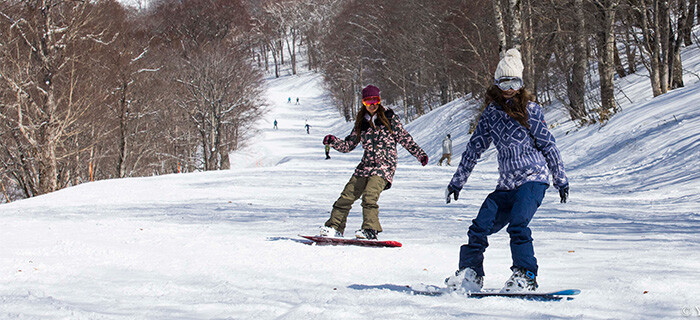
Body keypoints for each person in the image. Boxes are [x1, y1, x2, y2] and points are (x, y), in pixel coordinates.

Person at [444, 49, 569, 293]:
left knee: (518, 224)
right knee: (480, 226)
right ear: (497, 83)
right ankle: (471, 274)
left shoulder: (531, 110)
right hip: (506, 186)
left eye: (515, 82)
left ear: (521, 84)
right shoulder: (491, 114)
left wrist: (560, 179)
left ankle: (525, 275)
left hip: (533, 180)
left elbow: (548, 144)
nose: (509, 87)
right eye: (504, 82)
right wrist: (457, 182)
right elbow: (474, 148)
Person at [320, 84, 428, 240]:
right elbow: (348, 145)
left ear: (379, 100)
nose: (372, 105)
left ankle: (370, 229)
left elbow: (404, 138)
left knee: (370, 196)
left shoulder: (389, 118)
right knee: (346, 196)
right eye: (368, 102)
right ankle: (334, 227)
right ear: (363, 103)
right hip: (365, 166)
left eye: (375, 101)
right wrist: (333, 141)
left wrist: (420, 155)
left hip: (384, 166)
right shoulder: (361, 123)